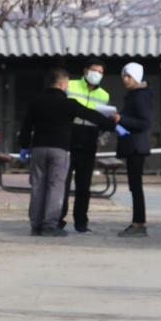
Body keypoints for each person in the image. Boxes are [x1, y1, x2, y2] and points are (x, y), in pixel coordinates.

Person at [19, 69, 116, 237]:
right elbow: (90, 114)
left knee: (38, 186)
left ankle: (36, 225)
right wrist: (112, 125)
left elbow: (26, 125)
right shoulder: (68, 103)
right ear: (63, 84)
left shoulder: (36, 101)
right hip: (59, 149)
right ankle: (50, 225)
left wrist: (24, 145)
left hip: (38, 148)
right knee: (56, 186)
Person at [61, 57, 110, 233]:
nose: (97, 75)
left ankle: (81, 223)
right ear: (85, 71)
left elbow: (103, 119)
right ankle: (58, 219)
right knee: (63, 184)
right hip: (68, 137)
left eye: (100, 72)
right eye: (94, 71)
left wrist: (102, 136)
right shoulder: (70, 85)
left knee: (84, 185)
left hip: (89, 140)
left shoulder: (104, 95)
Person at [115, 62, 153, 237]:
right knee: (134, 186)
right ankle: (137, 222)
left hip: (137, 146)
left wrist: (121, 119)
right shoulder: (134, 95)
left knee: (136, 186)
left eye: (128, 76)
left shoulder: (140, 96)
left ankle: (139, 223)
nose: (125, 79)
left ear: (136, 77)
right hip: (133, 145)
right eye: (124, 75)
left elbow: (144, 122)